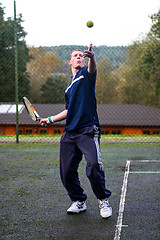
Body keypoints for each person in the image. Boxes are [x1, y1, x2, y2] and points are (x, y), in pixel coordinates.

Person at [40, 44, 112, 218]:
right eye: (76, 55)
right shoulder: (68, 88)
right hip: (69, 134)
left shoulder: (86, 75)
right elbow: (68, 111)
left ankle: (103, 200)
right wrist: (49, 119)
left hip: (88, 130)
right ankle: (79, 201)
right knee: (66, 172)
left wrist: (92, 57)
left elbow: (93, 68)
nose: (79, 57)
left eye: (82, 55)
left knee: (94, 165)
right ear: (69, 62)